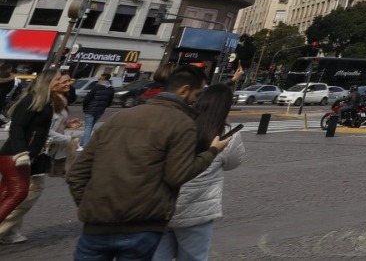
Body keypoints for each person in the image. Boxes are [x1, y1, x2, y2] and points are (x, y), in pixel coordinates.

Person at [67, 66, 228, 261]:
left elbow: (77, 173)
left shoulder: (119, 117)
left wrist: (89, 207)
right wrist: (211, 152)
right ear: (184, 90)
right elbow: (177, 175)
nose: (197, 100)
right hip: (143, 225)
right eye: (197, 93)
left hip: (96, 225)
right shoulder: (182, 123)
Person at [152, 85, 244, 261]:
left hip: (162, 205)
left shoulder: (179, 124)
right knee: (194, 257)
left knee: (157, 257)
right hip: (197, 211)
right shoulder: (225, 134)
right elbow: (233, 163)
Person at [0, 68, 73, 244]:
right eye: (58, 80)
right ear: (48, 81)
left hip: (23, 154)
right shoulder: (33, 100)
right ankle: (6, 229)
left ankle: (9, 231)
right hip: (16, 155)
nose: (65, 84)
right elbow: (17, 126)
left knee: (6, 193)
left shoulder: (44, 101)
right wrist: (22, 152)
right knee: (20, 192)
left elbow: (38, 129)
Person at [80, 74, 117, 151]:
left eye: (100, 77)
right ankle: (82, 142)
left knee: (88, 126)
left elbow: (87, 98)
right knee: (90, 126)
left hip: (91, 108)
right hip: (100, 110)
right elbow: (109, 102)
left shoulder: (96, 87)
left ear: (102, 78)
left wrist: (85, 107)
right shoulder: (111, 89)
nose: (98, 78)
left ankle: (85, 144)